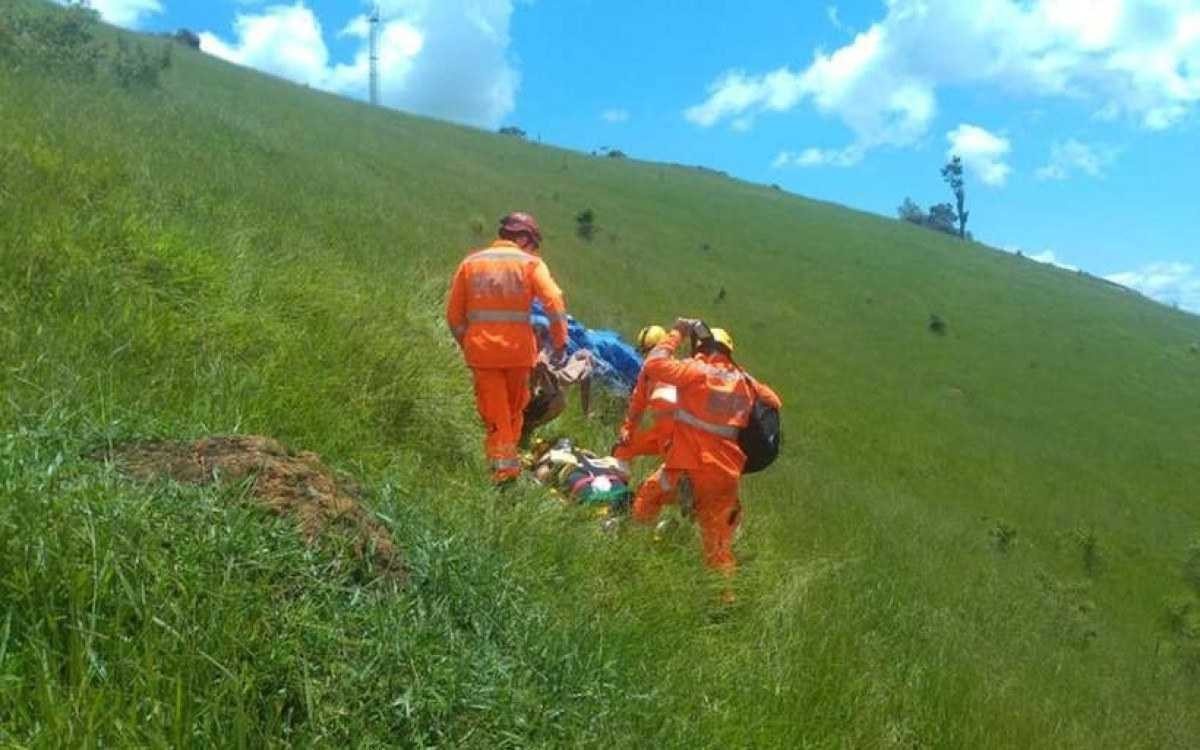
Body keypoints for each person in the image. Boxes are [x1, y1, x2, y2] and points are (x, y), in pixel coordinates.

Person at [635, 319, 781, 578]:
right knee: (718, 550)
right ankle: (724, 602)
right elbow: (774, 402)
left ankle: (633, 555)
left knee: (648, 497)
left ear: (702, 346)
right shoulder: (745, 381)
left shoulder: (696, 370)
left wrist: (676, 333)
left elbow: (653, 364)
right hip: (725, 477)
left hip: (687, 468)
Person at [445, 212, 568, 484]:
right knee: (513, 411)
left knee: (497, 414)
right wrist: (560, 341)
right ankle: (506, 473)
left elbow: (454, 316)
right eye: (533, 243)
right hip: (518, 354)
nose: (534, 249)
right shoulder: (531, 264)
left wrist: (469, 343)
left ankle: (503, 470)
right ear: (523, 238)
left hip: (483, 355)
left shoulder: (470, 264)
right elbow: (554, 301)